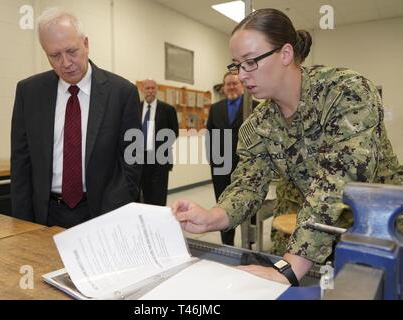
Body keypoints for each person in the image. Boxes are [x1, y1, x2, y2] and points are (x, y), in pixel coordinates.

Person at [171, 8, 401, 285]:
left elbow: (336, 184)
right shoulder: (259, 124)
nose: (241, 75)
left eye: (250, 62)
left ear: (285, 54)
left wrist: (290, 267)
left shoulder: (345, 92)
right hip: (316, 233)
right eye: (236, 65)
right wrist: (212, 217)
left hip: (382, 231)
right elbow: (248, 185)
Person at [11, 8, 142, 228]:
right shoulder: (29, 92)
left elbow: (133, 161)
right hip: (46, 214)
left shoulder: (122, 93)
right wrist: (22, 223)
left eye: (71, 51)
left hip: (102, 212)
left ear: (86, 44)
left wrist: (116, 211)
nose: (65, 63)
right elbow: (21, 163)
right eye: (54, 55)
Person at [206, 72, 259, 246]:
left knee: (249, 203)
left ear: (242, 84)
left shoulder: (255, 107)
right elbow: (210, 135)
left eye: (234, 84)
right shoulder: (216, 108)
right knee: (222, 203)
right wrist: (212, 159)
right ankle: (227, 245)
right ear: (223, 87)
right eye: (228, 84)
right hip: (220, 165)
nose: (231, 87)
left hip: (246, 166)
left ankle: (249, 244)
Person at [139, 79, 179, 206]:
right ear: (142, 90)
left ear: (157, 90)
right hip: (139, 159)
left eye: (152, 88)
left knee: (159, 195)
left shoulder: (168, 109)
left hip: (160, 159)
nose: (150, 91)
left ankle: (159, 223)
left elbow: (174, 132)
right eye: (147, 88)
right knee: (144, 194)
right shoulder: (135, 108)